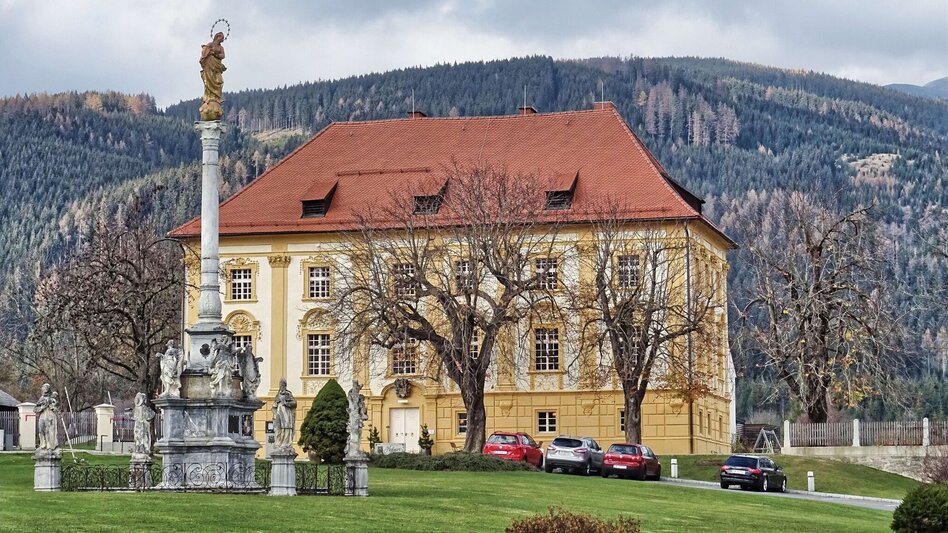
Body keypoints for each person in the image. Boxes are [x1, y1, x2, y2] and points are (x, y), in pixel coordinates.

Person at [199, 32, 226, 120]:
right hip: (209, 66)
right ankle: (209, 97)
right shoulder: (210, 44)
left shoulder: (221, 47)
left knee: (220, 81)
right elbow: (205, 51)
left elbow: (223, 56)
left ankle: (216, 98)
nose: (222, 40)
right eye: (221, 38)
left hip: (217, 66)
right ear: (217, 37)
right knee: (208, 82)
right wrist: (206, 50)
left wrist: (215, 54)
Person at [272, 378, 297, 451]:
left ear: (285, 386)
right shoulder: (278, 394)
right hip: (278, 413)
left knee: (286, 428)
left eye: (283, 385)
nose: (281, 387)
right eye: (280, 385)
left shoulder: (288, 394)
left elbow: (294, 403)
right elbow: (274, 404)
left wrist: (287, 403)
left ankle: (286, 443)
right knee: (278, 428)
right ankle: (278, 443)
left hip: (286, 413)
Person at [34, 384, 59, 451]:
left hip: (49, 416)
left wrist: (53, 407)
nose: (43, 388)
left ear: (48, 389)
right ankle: (42, 443)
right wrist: (42, 407)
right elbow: (35, 409)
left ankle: (49, 444)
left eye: (45, 387)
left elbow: (57, 408)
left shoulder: (52, 398)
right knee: (40, 429)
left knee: (48, 430)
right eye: (43, 387)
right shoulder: (41, 398)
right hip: (42, 416)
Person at [132, 392, 155, 457]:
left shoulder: (137, 408)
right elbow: (152, 414)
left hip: (138, 425)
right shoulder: (144, 408)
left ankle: (139, 448)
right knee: (142, 436)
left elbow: (133, 416)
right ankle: (142, 448)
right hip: (142, 425)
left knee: (138, 436)